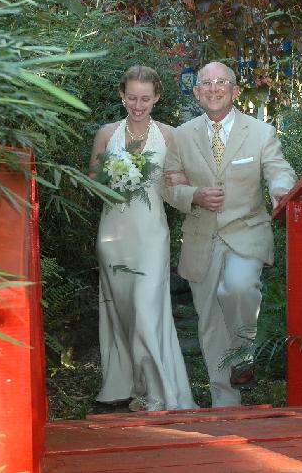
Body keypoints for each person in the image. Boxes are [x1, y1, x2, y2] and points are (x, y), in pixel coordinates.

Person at [164, 61, 296, 407]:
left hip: (246, 230)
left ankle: (243, 351)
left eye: (221, 82)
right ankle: (225, 404)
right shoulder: (181, 136)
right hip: (201, 238)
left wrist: (281, 189)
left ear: (235, 90)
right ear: (196, 92)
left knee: (238, 286)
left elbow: (278, 168)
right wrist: (194, 195)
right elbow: (168, 185)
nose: (213, 88)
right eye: (206, 83)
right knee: (210, 323)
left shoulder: (261, 132)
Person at [89, 65, 196, 411]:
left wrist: (174, 182)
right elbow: (92, 179)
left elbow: (179, 183)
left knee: (146, 307)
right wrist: (114, 178)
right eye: (132, 98)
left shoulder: (170, 136)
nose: (138, 105)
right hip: (113, 234)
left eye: (145, 99)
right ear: (122, 95)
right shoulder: (106, 134)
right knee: (122, 309)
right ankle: (126, 383)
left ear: (156, 98)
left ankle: (159, 391)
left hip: (151, 234)